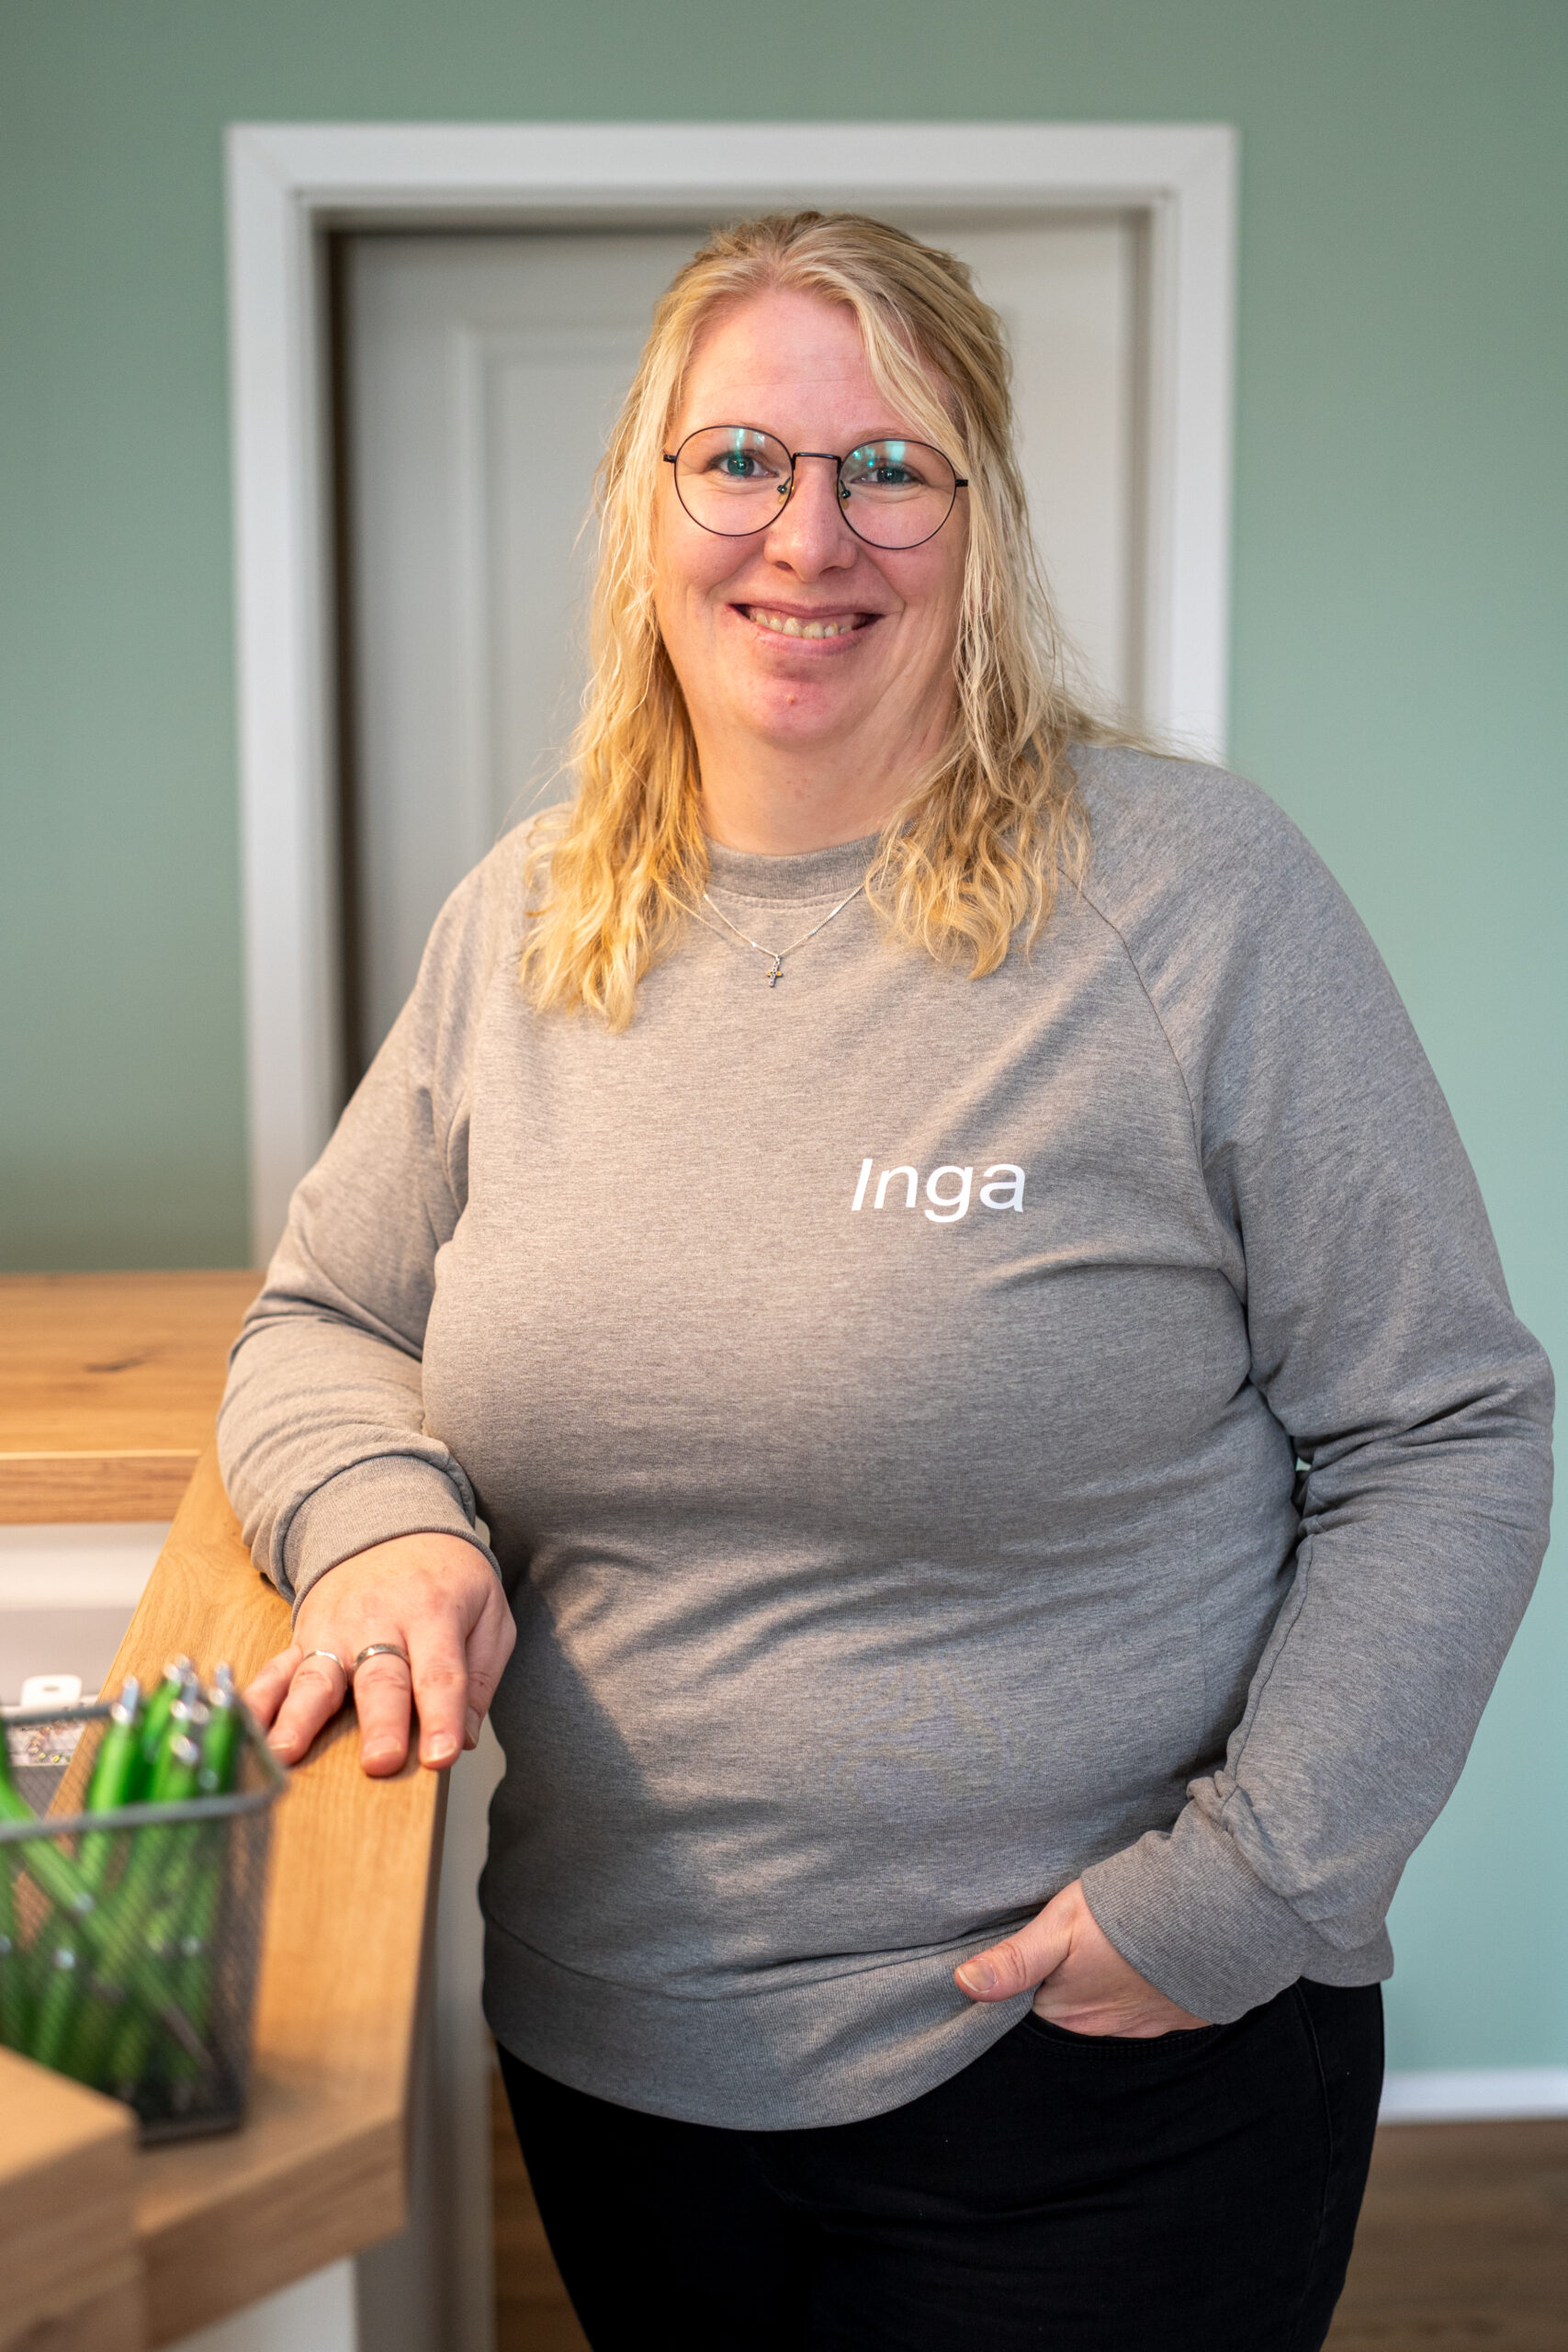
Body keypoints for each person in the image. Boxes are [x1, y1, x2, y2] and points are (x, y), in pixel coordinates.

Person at [221, 211, 1553, 2351]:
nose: (806, 533)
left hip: (1089, 2068)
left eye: (886, 467)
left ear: (976, 518)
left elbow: (1448, 1426)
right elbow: (324, 1319)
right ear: (646, 504)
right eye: (738, 459)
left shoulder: (1189, 900)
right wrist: (378, 1522)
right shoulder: (526, 923)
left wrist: (1243, 1888)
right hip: (614, 2050)